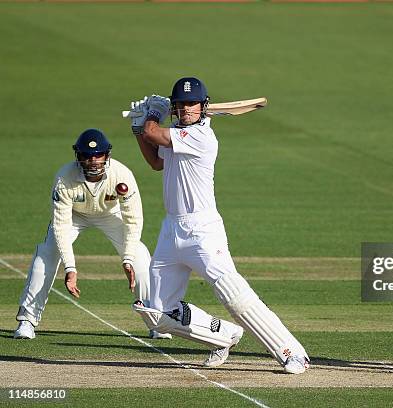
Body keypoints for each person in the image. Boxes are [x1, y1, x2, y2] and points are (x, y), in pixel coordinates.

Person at [129, 77, 309, 374]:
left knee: (233, 294)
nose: (186, 109)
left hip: (202, 230)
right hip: (171, 230)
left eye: (192, 104)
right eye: (181, 104)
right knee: (158, 314)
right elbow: (155, 162)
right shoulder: (175, 133)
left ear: (203, 107)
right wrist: (138, 129)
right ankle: (224, 336)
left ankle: (291, 352)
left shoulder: (202, 138)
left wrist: (150, 115)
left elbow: (153, 131)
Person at [13, 129, 169, 340]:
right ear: (78, 156)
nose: (93, 160)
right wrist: (70, 267)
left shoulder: (122, 175)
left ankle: (155, 322)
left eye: (98, 155)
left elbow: (133, 220)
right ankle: (27, 319)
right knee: (46, 256)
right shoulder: (65, 178)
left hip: (109, 213)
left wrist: (127, 259)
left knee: (140, 258)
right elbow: (60, 226)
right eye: (87, 155)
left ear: (107, 155)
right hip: (75, 216)